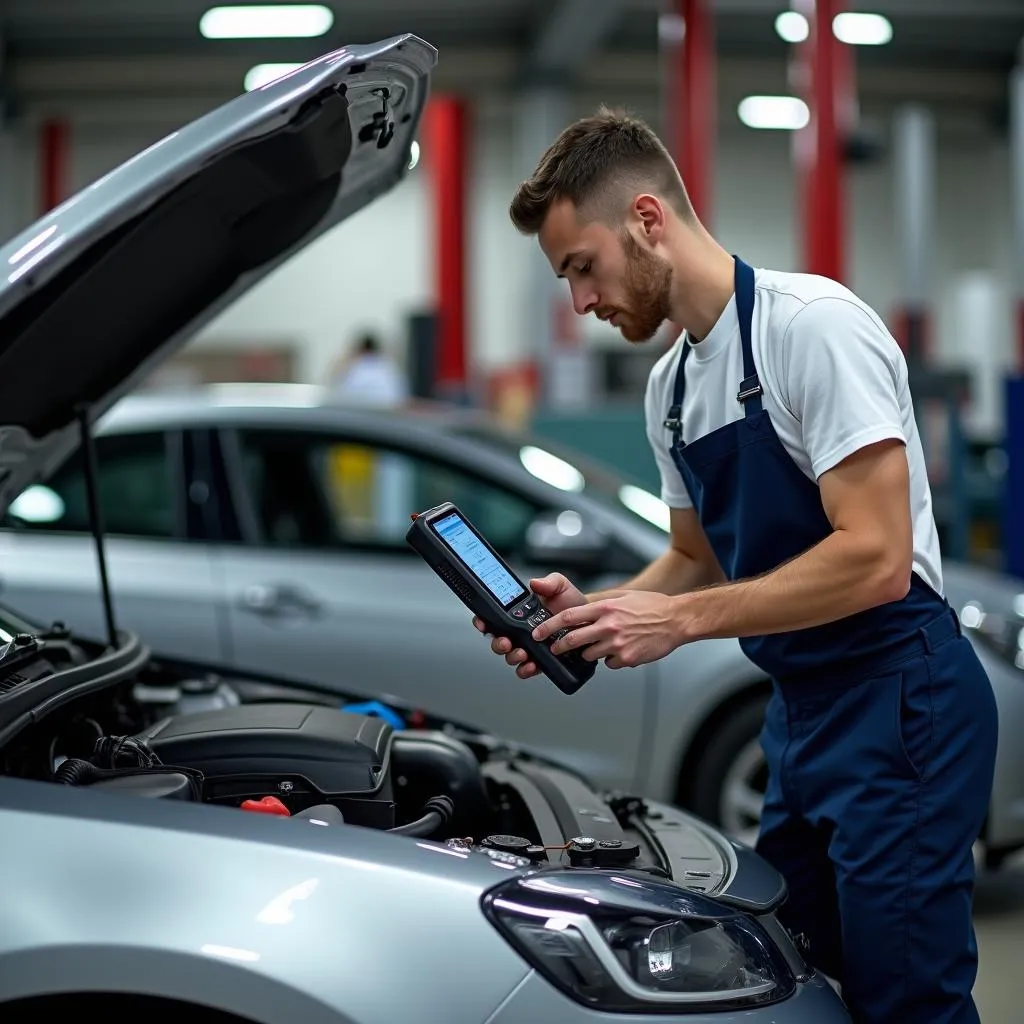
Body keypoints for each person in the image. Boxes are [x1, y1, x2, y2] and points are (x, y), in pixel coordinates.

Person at [475, 107, 998, 1024]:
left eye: (581, 268)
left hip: (899, 696)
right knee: (790, 964)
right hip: (800, 715)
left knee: (907, 997)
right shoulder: (669, 388)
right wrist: (592, 617)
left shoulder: (813, 328)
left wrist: (675, 623)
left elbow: (875, 559)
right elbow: (691, 555)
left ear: (646, 218)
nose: (582, 304)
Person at [328, 330, 408, 407]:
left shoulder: (357, 367)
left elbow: (340, 393)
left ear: (361, 349)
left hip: (360, 412)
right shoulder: (389, 367)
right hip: (388, 413)